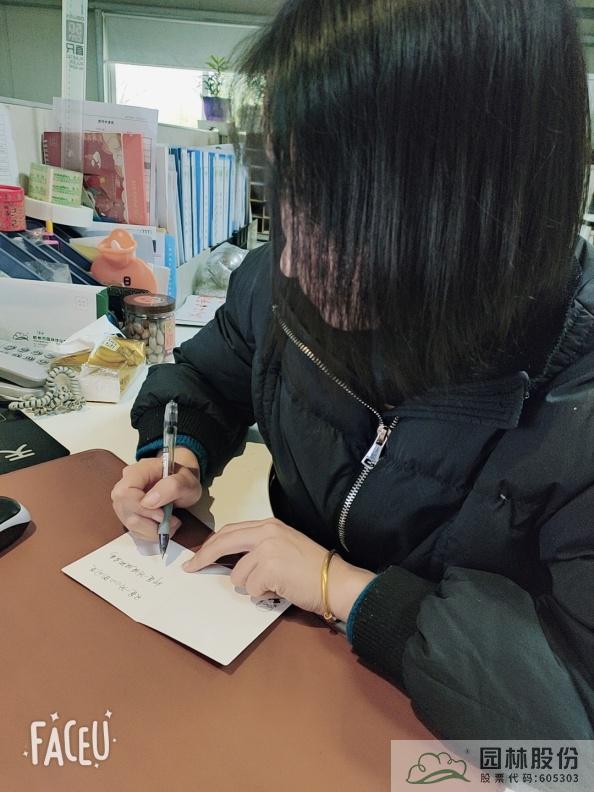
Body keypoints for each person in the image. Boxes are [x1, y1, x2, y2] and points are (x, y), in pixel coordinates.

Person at [111, 0, 594, 738]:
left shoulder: (577, 399)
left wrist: (342, 588)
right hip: (282, 683)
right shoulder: (288, 282)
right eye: (288, 193)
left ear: (485, 200)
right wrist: (176, 451)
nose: (291, 260)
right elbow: (208, 377)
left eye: (341, 210)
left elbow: (572, 720)